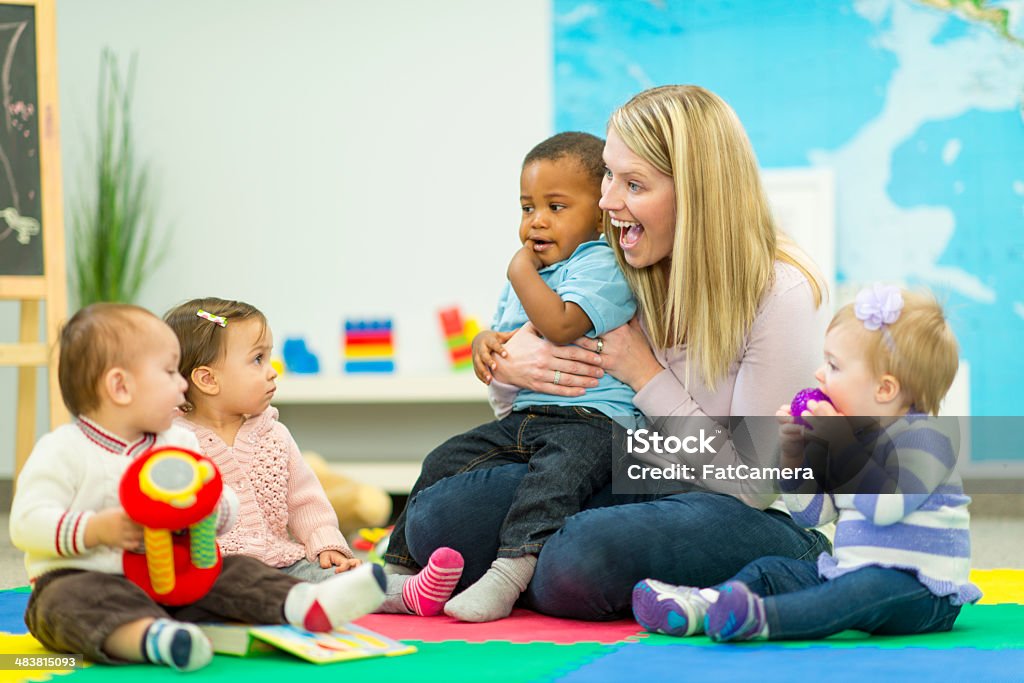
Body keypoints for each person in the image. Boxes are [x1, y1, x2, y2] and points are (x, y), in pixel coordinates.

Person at [399, 84, 834, 620]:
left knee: (579, 557)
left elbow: (753, 484)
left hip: (728, 500)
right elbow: (537, 426)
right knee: (438, 521)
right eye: (608, 174)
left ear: (698, 194)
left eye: (633, 183)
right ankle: (566, 579)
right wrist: (510, 367)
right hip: (625, 473)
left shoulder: (778, 292)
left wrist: (646, 374)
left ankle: (798, 557)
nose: (606, 201)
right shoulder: (614, 270)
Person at [9, 303, 386, 672]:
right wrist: (93, 530)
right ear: (120, 386)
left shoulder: (177, 443)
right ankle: (151, 639)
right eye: (170, 372)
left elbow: (219, 502)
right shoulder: (63, 449)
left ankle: (303, 603)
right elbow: (26, 522)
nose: (182, 383)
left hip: (174, 578)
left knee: (234, 570)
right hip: (90, 579)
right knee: (62, 603)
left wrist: (211, 509)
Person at [384, 132, 639, 622]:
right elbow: (506, 338)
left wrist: (519, 270)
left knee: (551, 482)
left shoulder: (603, 263)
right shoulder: (533, 270)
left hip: (591, 422)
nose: (537, 221)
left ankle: (509, 573)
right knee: (445, 458)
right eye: (527, 208)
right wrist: (485, 344)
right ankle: (400, 572)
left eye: (557, 206)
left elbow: (561, 323)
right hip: (526, 416)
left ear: (602, 212)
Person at [633, 285, 981, 641]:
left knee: (864, 588)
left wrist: (839, 442)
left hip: (922, 590)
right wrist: (795, 453)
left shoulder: (926, 437)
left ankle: (760, 619)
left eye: (834, 365)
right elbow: (813, 515)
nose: (818, 374)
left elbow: (883, 506)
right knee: (772, 571)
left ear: (884, 389)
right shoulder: (849, 436)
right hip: (849, 574)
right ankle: (703, 606)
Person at [165, 298, 462, 616]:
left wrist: (326, 543)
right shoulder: (173, 443)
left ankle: (406, 592)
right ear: (208, 380)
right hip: (215, 571)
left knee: (337, 578)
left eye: (270, 357)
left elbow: (305, 501)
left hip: (283, 562)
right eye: (257, 360)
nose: (272, 371)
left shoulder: (274, 435)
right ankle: (301, 607)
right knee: (233, 590)